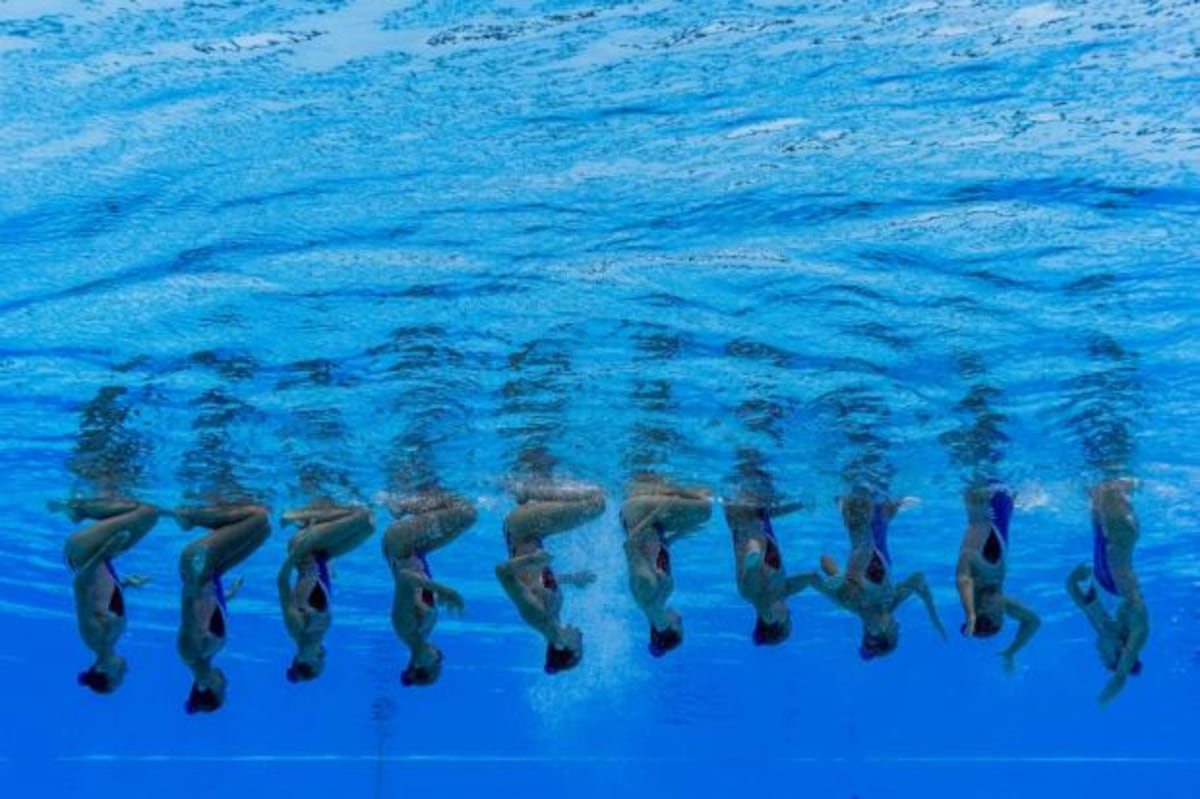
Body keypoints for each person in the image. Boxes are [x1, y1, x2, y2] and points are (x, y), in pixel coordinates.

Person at [801, 487, 946, 659]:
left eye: (895, 630)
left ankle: (844, 502)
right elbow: (918, 579)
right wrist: (933, 614)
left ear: (879, 629)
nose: (898, 626)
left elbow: (821, 565)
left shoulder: (851, 601)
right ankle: (883, 506)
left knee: (858, 489)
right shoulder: (889, 605)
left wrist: (837, 578)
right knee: (882, 512)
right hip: (879, 532)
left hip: (858, 518)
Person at [495, 479, 604, 675]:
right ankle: (531, 490)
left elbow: (502, 573)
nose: (582, 636)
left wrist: (531, 558)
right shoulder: (552, 618)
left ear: (562, 646)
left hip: (522, 530)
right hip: (535, 534)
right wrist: (573, 578)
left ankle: (525, 489)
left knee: (596, 505)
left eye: (579, 646)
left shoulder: (536, 615)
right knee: (591, 502)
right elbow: (537, 581)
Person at [175, 503, 270, 714]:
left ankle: (190, 517)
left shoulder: (190, 653)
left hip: (198, 566)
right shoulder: (210, 652)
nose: (226, 685)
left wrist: (197, 569)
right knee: (264, 532)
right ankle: (220, 524)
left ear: (205, 687)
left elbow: (189, 603)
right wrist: (228, 596)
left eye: (222, 690)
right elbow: (205, 609)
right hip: (214, 570)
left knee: (260, 516)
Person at [59, 498, 160, 694]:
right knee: (148, 514)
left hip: (82, 554)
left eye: (119, 676)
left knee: (147, 513)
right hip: (100, 556)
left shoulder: (94, 638)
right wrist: (127, 584)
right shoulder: (111, 638)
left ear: (102, 669)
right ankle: (86, 508)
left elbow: (79, 585)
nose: (126, 671)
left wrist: (105, 550)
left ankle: (80, 509)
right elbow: (100, 597)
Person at [1065, 478, 1149, 705]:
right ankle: (1130, 478)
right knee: (1112, 484)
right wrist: (1103, 699)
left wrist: (1072, 580)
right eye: (1104, 655)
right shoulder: (1132, 621)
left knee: (1096, 490)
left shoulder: (1101, 624)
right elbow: (1121, 675)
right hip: (1121, 538)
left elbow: (1078, 598)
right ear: (1122, 649)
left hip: (1101, 541)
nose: (1098, 651)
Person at [382, 492, 476, 687]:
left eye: (438, 662)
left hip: (399, 545)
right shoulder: (423, 632)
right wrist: (435, 595)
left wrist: (443, 591)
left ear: (418, 663)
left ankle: (404, 504)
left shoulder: (405, 628)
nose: (440, 656)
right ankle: (414, 500)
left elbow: (404, 578)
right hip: (416, 550)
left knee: (466, 513)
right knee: (466, 518)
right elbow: (419, 585)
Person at [277, 501, 374, 683]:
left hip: (304, 549)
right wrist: (328, 569)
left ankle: (296, 516)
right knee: (369, 527)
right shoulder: (317, 636)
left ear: (311, 663)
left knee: (363, 515)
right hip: (323, 554)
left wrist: (295, 553)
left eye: (321, 663)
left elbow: (282, 583)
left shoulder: (298, 629)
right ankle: (310, 523)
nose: (324, 658)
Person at [620, 476, 713, 657]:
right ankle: (661, 485)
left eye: (679, 625)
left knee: (705, 507)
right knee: (701, 512)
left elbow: (630, 545)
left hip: (639, 514)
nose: (680, 619)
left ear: (664, 626)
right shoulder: (659, 598)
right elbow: (653, 554)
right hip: (654, 524)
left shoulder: (645, 591)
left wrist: (657, 512)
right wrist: (678, 535)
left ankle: (655, 484)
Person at [955, 483, 1041, 670]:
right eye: (991, 615)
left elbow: (964, 571)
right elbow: (1033, 621)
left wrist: (970, 610)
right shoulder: (1001, 601)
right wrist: (1012, 651)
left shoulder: (972, 581)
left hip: (987, 496)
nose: (985, 608)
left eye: (980, 614)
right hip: (1004, 493)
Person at [723, 495, 809, 646]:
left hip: (742, 507)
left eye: (787, 619)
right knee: (803, 502)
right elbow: (812, 577)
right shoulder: (782, 588)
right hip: (757, 511)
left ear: (771, 618)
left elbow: (753, 552)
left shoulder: (752, 591)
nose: (790, 613)